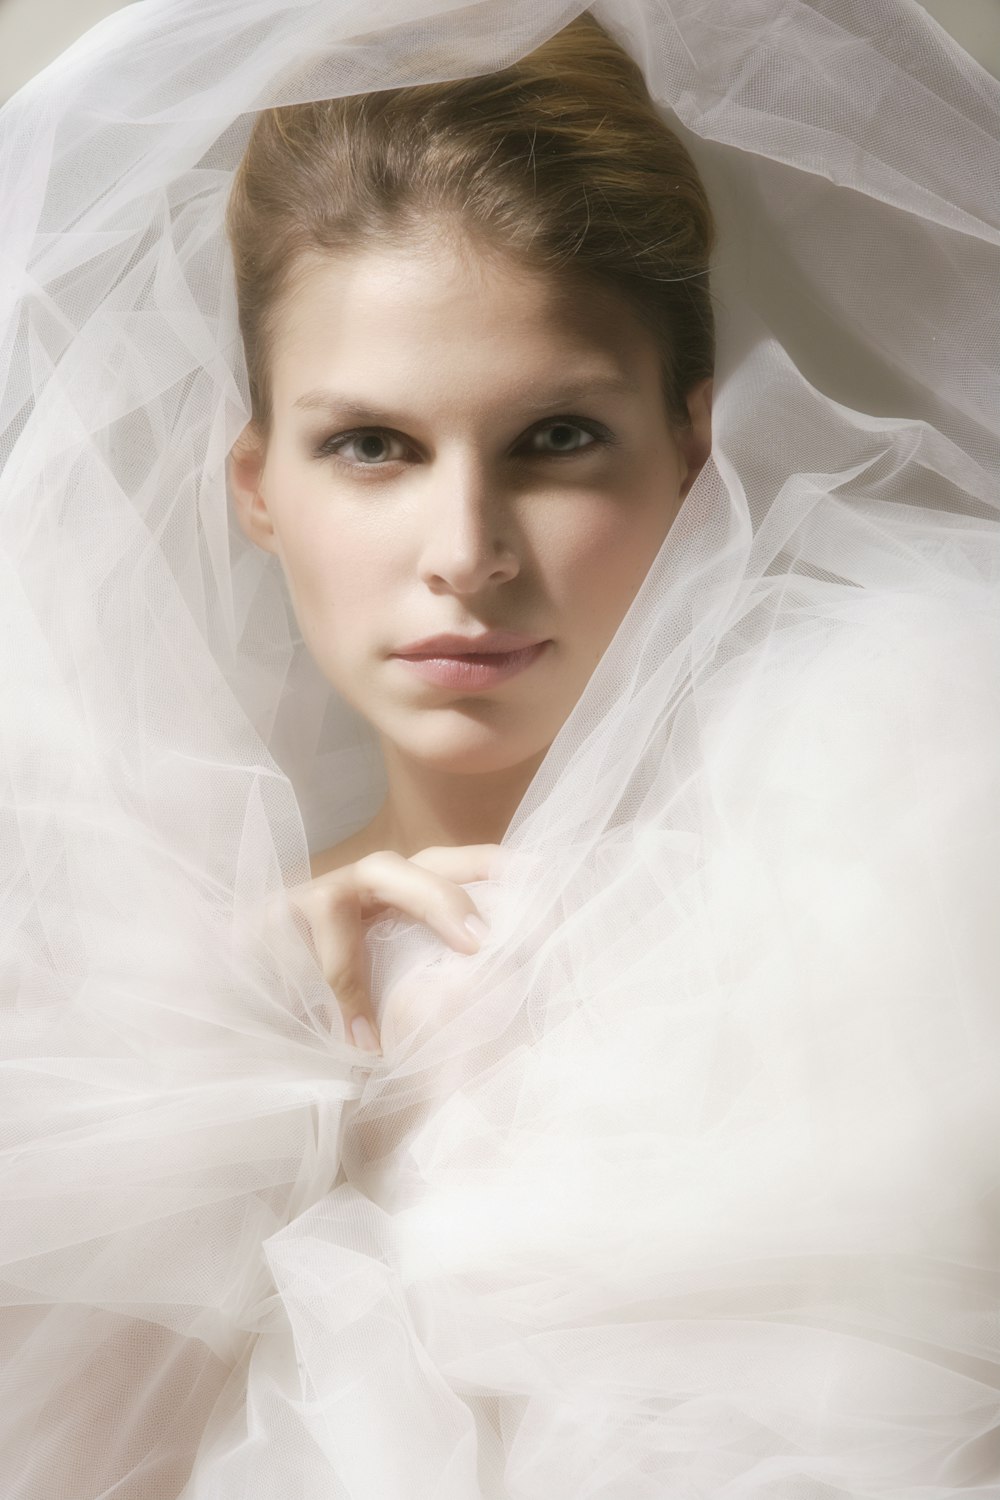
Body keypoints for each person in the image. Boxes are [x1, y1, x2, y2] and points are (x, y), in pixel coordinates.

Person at [1, 1, 999, 1496]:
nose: (465, 554)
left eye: (555, 439)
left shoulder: (911, 877)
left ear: (694, 451)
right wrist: (247, 1087)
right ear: (257, 482)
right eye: (374, 447)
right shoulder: (129, 1025)